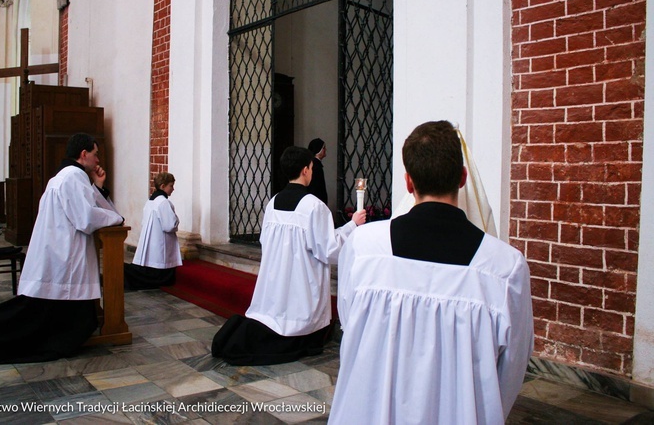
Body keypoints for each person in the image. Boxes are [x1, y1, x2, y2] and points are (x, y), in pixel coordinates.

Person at [329, 121, 534, 424]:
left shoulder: (363, 247)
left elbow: (350, 322)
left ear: (409, 183)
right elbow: (512, 367)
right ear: (462, 178)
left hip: (368, 409)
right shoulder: (504, 267)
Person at [0, 133, 124, 364]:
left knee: (36, 314)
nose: (98, 160)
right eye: (96, 154)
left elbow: (87, 205)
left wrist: (99, 187)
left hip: (57, 254)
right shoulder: (73, 177)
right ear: (84, 154)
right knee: (33, 317)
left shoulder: (68, 176)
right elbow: (86, 218)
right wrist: (116, 218)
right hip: (63, 258)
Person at [211, 146, 365, 365]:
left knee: (277, 313)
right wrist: (352, 226)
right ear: (305, 170)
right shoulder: (314, 206)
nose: (312, 172)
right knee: (298, 316)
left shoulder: (273, 202)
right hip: (302, 281)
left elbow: (265, 241)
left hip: (277, 278)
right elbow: (328, 249)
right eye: (312, 167)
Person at [124, 172, 181, 289]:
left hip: (153, 239)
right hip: (161, 241)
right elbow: (170, 225)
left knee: (151, 264)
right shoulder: (164, 202)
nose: (173, 189)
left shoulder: (150, 201)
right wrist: (176, 221)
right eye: (171, 185)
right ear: (163, 186)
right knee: (160, 265)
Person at [306, 138, 328, 204]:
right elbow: (317, 188)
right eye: (324, 148)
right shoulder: (315, 165)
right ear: (319, 150)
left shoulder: (313, 163)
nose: (325, 150)